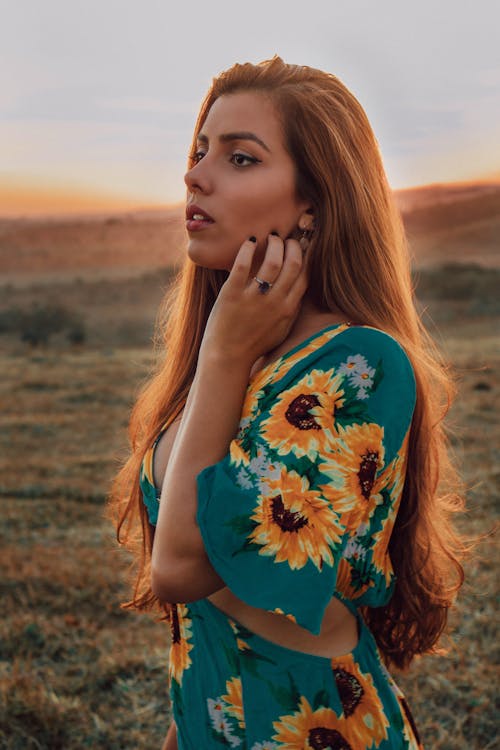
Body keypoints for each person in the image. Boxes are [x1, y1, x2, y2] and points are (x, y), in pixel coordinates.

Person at [110, 56, 466, 749]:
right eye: (199, 150)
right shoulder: (244, 355)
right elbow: (205, 632)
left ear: (315, 201)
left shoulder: (361, 366)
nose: (196, 174)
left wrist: (223, 353)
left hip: (314, 729)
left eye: (241, 158)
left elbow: (181, 570)